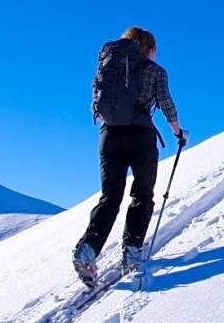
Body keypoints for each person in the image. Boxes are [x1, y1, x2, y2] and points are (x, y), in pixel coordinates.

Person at [73, 26, 185, 285]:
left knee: (110, 196)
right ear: (149, 47)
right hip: (141, 136)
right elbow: (165, 102)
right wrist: (178, 132)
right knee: (142, 194)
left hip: (109, 135)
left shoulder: (111, 66)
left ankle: (87, 250)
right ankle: (132, 254)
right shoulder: (155, 70)